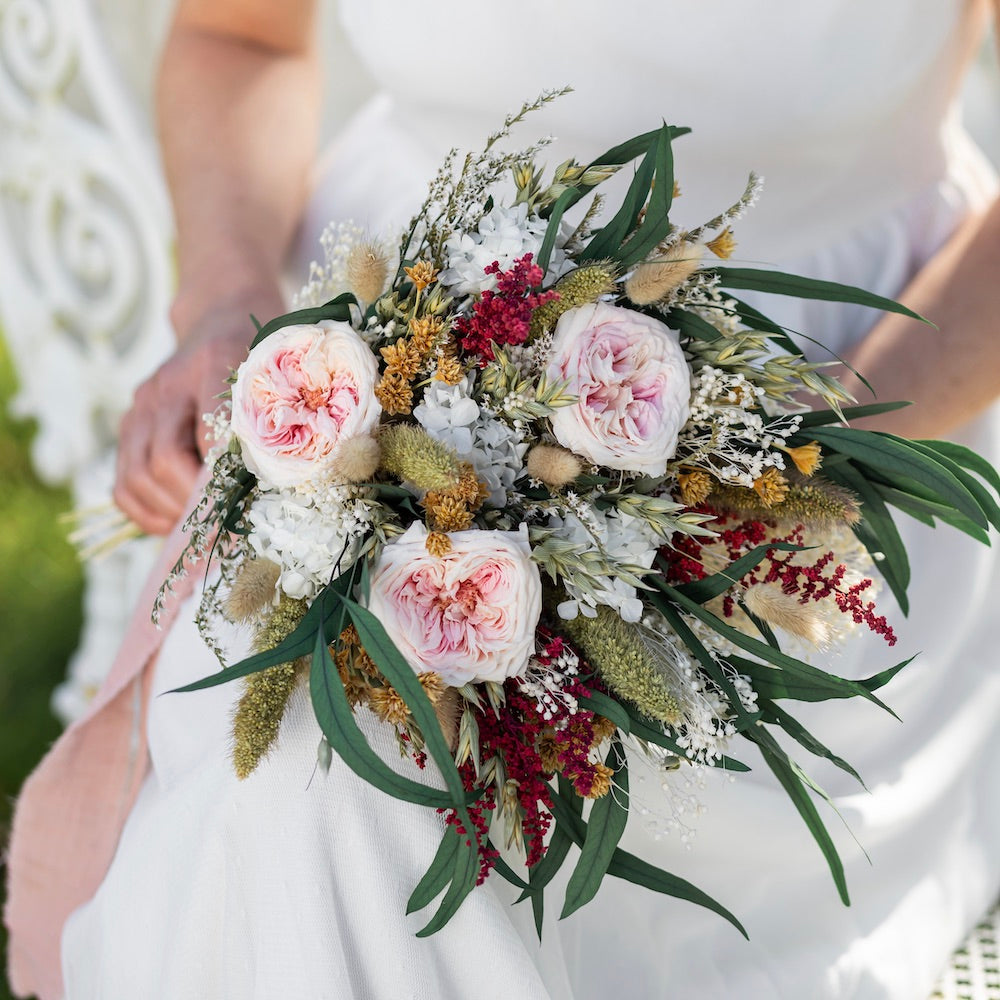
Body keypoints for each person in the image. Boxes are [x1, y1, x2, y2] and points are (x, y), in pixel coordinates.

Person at [6, 0, 1000, 997]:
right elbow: (240, 35)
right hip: (401, 353)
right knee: (317, 782)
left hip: (834, 399)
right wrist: (225, 298)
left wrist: (817, 457)